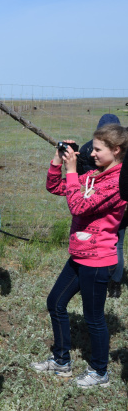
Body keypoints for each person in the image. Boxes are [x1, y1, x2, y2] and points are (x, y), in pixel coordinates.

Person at [32, 124, 128, 388]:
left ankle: (100, 372)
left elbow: (78, 206)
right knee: (55, 302)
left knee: (93, 318)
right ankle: (61, 361)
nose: (92, 154)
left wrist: (73, 171)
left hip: (98, 261)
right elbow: (54, 187)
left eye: (98, 149)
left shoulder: (118, 184)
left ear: (116, 150)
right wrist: (57, 160)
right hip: (79, 255)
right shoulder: (94, 176)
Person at [77, 114, 125, 298]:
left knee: (98, 241)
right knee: (117, 243)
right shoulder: (120, 152)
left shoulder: (88, 148)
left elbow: (83, 179)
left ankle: (95, 279)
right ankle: (114, 284)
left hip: (93, 204)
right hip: (119, 205)